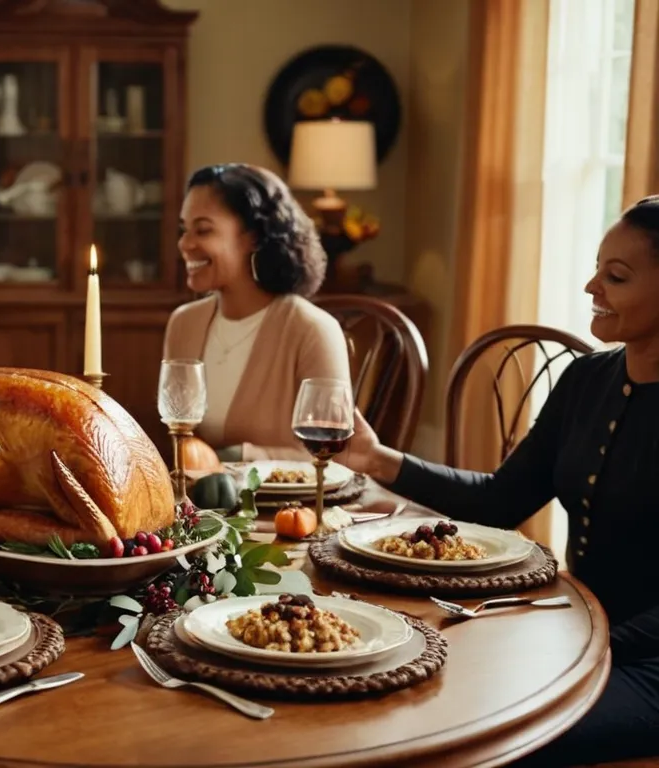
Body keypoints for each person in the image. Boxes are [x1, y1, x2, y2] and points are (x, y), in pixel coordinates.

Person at [341, 196, 659, 766]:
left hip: (640, 661)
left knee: (489, 733)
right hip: (579, 632)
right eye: (596, 267)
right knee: (405, 691)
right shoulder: (587, 379)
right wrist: (377, 458)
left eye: (616, 276)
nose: (592, 286)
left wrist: (585, 644)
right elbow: (499, 501)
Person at [163, 163, 351, 461]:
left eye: (203, 230)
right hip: (200, 507)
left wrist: (239, 457)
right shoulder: (183, 324)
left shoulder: (312, 330)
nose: (184, 243)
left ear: (254, 236)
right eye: (184, 229)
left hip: (287, 507)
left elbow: (336, 457)